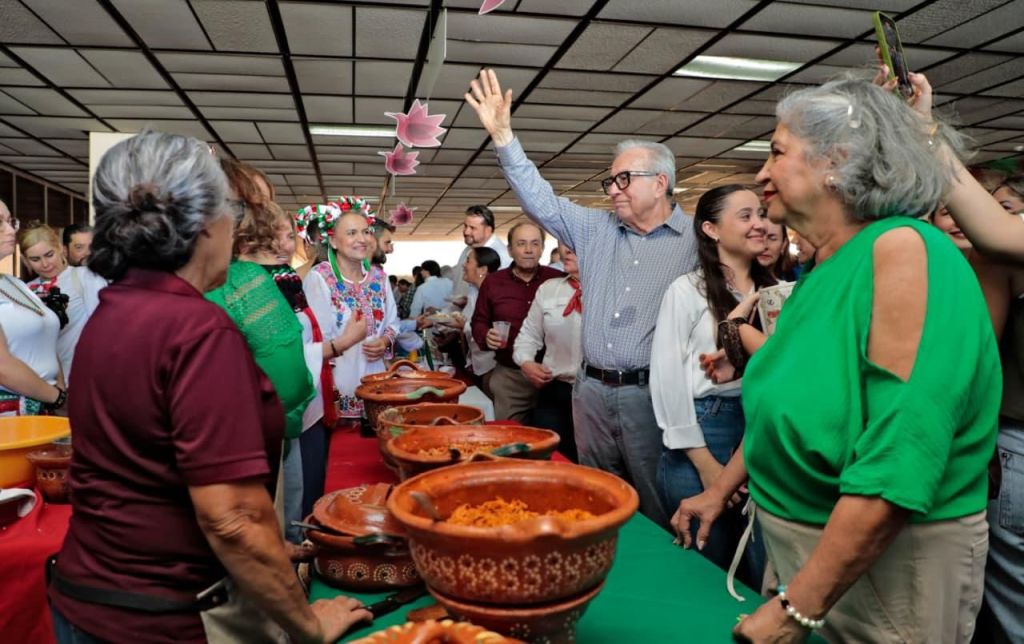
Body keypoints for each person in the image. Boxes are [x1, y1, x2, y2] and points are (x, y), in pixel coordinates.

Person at [674, 78, 998, 643]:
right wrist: (719, 491)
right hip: (814, 560)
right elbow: (789, 407)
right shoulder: (827, 268)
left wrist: (795, 609)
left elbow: (900, 457)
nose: (762, 174)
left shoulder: (904, 249)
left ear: (837, 161)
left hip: (881, 571)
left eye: (777, 152)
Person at [49, 130, 369, 643]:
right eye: (233, 214)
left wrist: (266, 549)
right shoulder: (198, 329)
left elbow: (148, 469)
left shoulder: (114, 311)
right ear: (203, 224)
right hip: (166, 614)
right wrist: (307, 623)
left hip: (89, 596)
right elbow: (232, 519)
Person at [466, 68, 699, 527]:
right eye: (609, 181)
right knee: (594, 500)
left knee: (656, 503)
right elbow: (541, 200)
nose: (612, 190)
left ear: (661, 182)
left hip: (652, 395)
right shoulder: (595, 229)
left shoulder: (696, 240)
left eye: (624, 179)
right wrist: (504, 138)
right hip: (588, 392)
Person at [651, 185, 772, 589]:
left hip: (762, 428)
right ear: (711, 229)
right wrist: (706, 464)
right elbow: (666, 379)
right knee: (707, 567)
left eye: (761, 214)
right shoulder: (686, 290)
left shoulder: (775, 291)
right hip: (705, 431)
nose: (759, 224)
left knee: (759, 565)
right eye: (745, 216)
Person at [204, 159, 316, 550]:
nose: (257, 218)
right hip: (246, 443)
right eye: (247, 207)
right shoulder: (232, 282)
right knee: (261, 539)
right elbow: (282, 374)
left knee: (281, 527)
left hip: (274, 430)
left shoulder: (248, 275)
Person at [310, 203, 399, 420]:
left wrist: (384, 342)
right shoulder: (320, 278)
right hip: (338, 389)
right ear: (333, 241)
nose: (362, 239)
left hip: (377, 385)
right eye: (351, 233)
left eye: (366, 232)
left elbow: (392, 323)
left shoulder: (379, 277)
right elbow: (316, 339)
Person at [471, 222, 562, 422]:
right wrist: (485, 335)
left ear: (542, 249)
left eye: (535, 244)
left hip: (553, 377)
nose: (529, 250)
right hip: (510, 377)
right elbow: (479, 321)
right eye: (521, 244)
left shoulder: (558, 280)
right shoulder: (493, 282)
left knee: (554, 436)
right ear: (510, 250)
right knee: (509, 435)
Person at [513, 242, 581, 462]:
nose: (566, 250)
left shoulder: (613, 291)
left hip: (595, 394)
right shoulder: (549, 289)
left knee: (590, 464)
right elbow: (528, 335)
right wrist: (526, 362)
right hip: (555, 390)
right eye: (563, 242)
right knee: (550, 458)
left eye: (574, 244)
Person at [18, 223, 107, 383]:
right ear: (25, 260)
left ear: (60, 248)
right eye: (35, 259)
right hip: (41, 382)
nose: (45, 264)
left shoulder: (85, 276)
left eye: (49, 254)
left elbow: (104, 328)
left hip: (81, 377)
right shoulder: (25, 290)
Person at [0, 201, 64, 417]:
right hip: (12, 414)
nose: (11, 231)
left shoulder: (15, 283)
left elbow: (47, 342)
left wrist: (60, 390)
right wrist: (57, 398)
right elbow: (2, 367)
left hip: (47, 404)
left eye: (11, 222)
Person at [451, 246, 500, 394]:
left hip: (492, 368)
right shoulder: (474, 292)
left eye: (468, 261)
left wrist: (463, 325)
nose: (463, 265)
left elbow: (495, 330)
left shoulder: (495, 295)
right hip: (477, 364)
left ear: (482, 270)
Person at [450, 205, 512, 306]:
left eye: (472, 228)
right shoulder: (468, 249)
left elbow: (501, 298)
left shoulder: (501, 256)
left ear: (488, 230)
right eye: (465, 226)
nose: (466, 232)